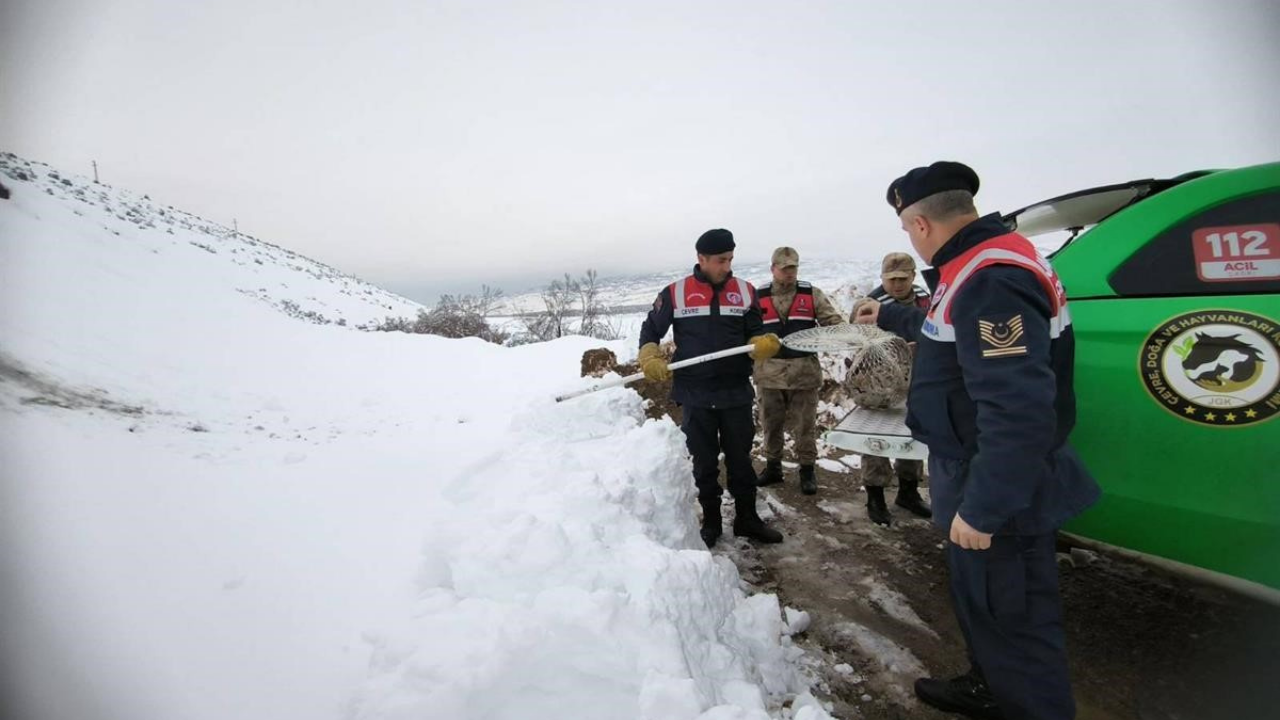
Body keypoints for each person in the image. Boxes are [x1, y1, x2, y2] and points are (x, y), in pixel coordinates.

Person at [856, 162, 1100, 720]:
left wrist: (986, 507)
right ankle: (990, 685)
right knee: (983, 604)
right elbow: (953, 337)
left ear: (919, 224)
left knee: (1014, 615)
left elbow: (1017, 409)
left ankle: (1026, 702)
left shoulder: (989, 276)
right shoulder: (976, 265)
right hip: (972, 468)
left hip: (993, 480)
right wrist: (891, 316)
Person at [638, 228, 785, 548]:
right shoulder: (676, 293)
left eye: (730, 259)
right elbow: (650, 328)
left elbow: (754, 332)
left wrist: (759, 344)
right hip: (696, 394)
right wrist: (648, 354)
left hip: (734, 392)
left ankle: (747, 519)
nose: (727, 267)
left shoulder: (745, 292)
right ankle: (712, 521)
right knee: (704, 463)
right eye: (720, 260)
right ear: (701, 259)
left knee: (741, 461)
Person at [754, 246, 846, 495]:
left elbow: (833, 322)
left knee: (805, 426)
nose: (789, 273)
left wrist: (836, 335)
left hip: (803, 374)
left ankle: (807, 470)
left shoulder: (811, 294)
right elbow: (746, 332)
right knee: (770, 424)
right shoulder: (757, 297)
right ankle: (773, 468)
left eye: (793, 268)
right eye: (784, 269)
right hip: (769, 374)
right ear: (773, 269)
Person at [850, 252, 933, 524]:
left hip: (918, 381)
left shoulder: (926, 299)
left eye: (903, 278)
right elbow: (853, 343)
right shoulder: (869, 305)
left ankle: (908, 492)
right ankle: (875, 497)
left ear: (912, 276)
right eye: (891, 279)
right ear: (882, 278)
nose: (897, 284)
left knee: (913, 435)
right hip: (878, 386)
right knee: (876, 440)